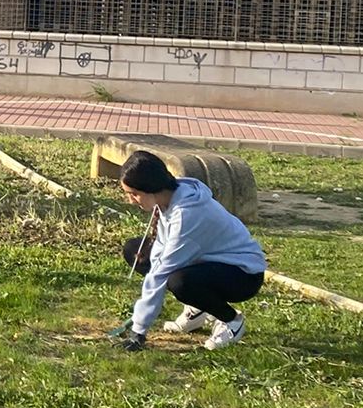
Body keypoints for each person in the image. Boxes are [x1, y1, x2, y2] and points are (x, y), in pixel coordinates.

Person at [111, 151, 266, 353]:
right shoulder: (170, 197)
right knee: (136, 251)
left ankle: (231, 321)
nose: (131, 200)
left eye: (134, 194)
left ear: (151, 188)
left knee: (179, 282)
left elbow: (161, 272)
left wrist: (138, 331)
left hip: (243, 274)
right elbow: (159, 251)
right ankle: (198, 309)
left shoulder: (187, 215)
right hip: (208, 261)